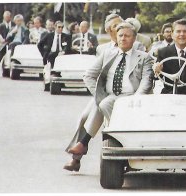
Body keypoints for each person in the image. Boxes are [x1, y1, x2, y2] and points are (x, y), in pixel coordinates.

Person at [63, 22, 154, 172]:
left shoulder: (143, 56)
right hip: (110, 96)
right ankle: (117, 143)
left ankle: (84, 144)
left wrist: (136, 98)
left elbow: (146, 81)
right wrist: (99, 93)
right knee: (101, 104)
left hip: (131, 97)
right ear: (115, 36)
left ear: (134, 38)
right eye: (120, 35)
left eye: (127, 36)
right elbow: (89, 75)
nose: (123, 38)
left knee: (102, 106)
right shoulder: (107, 53)